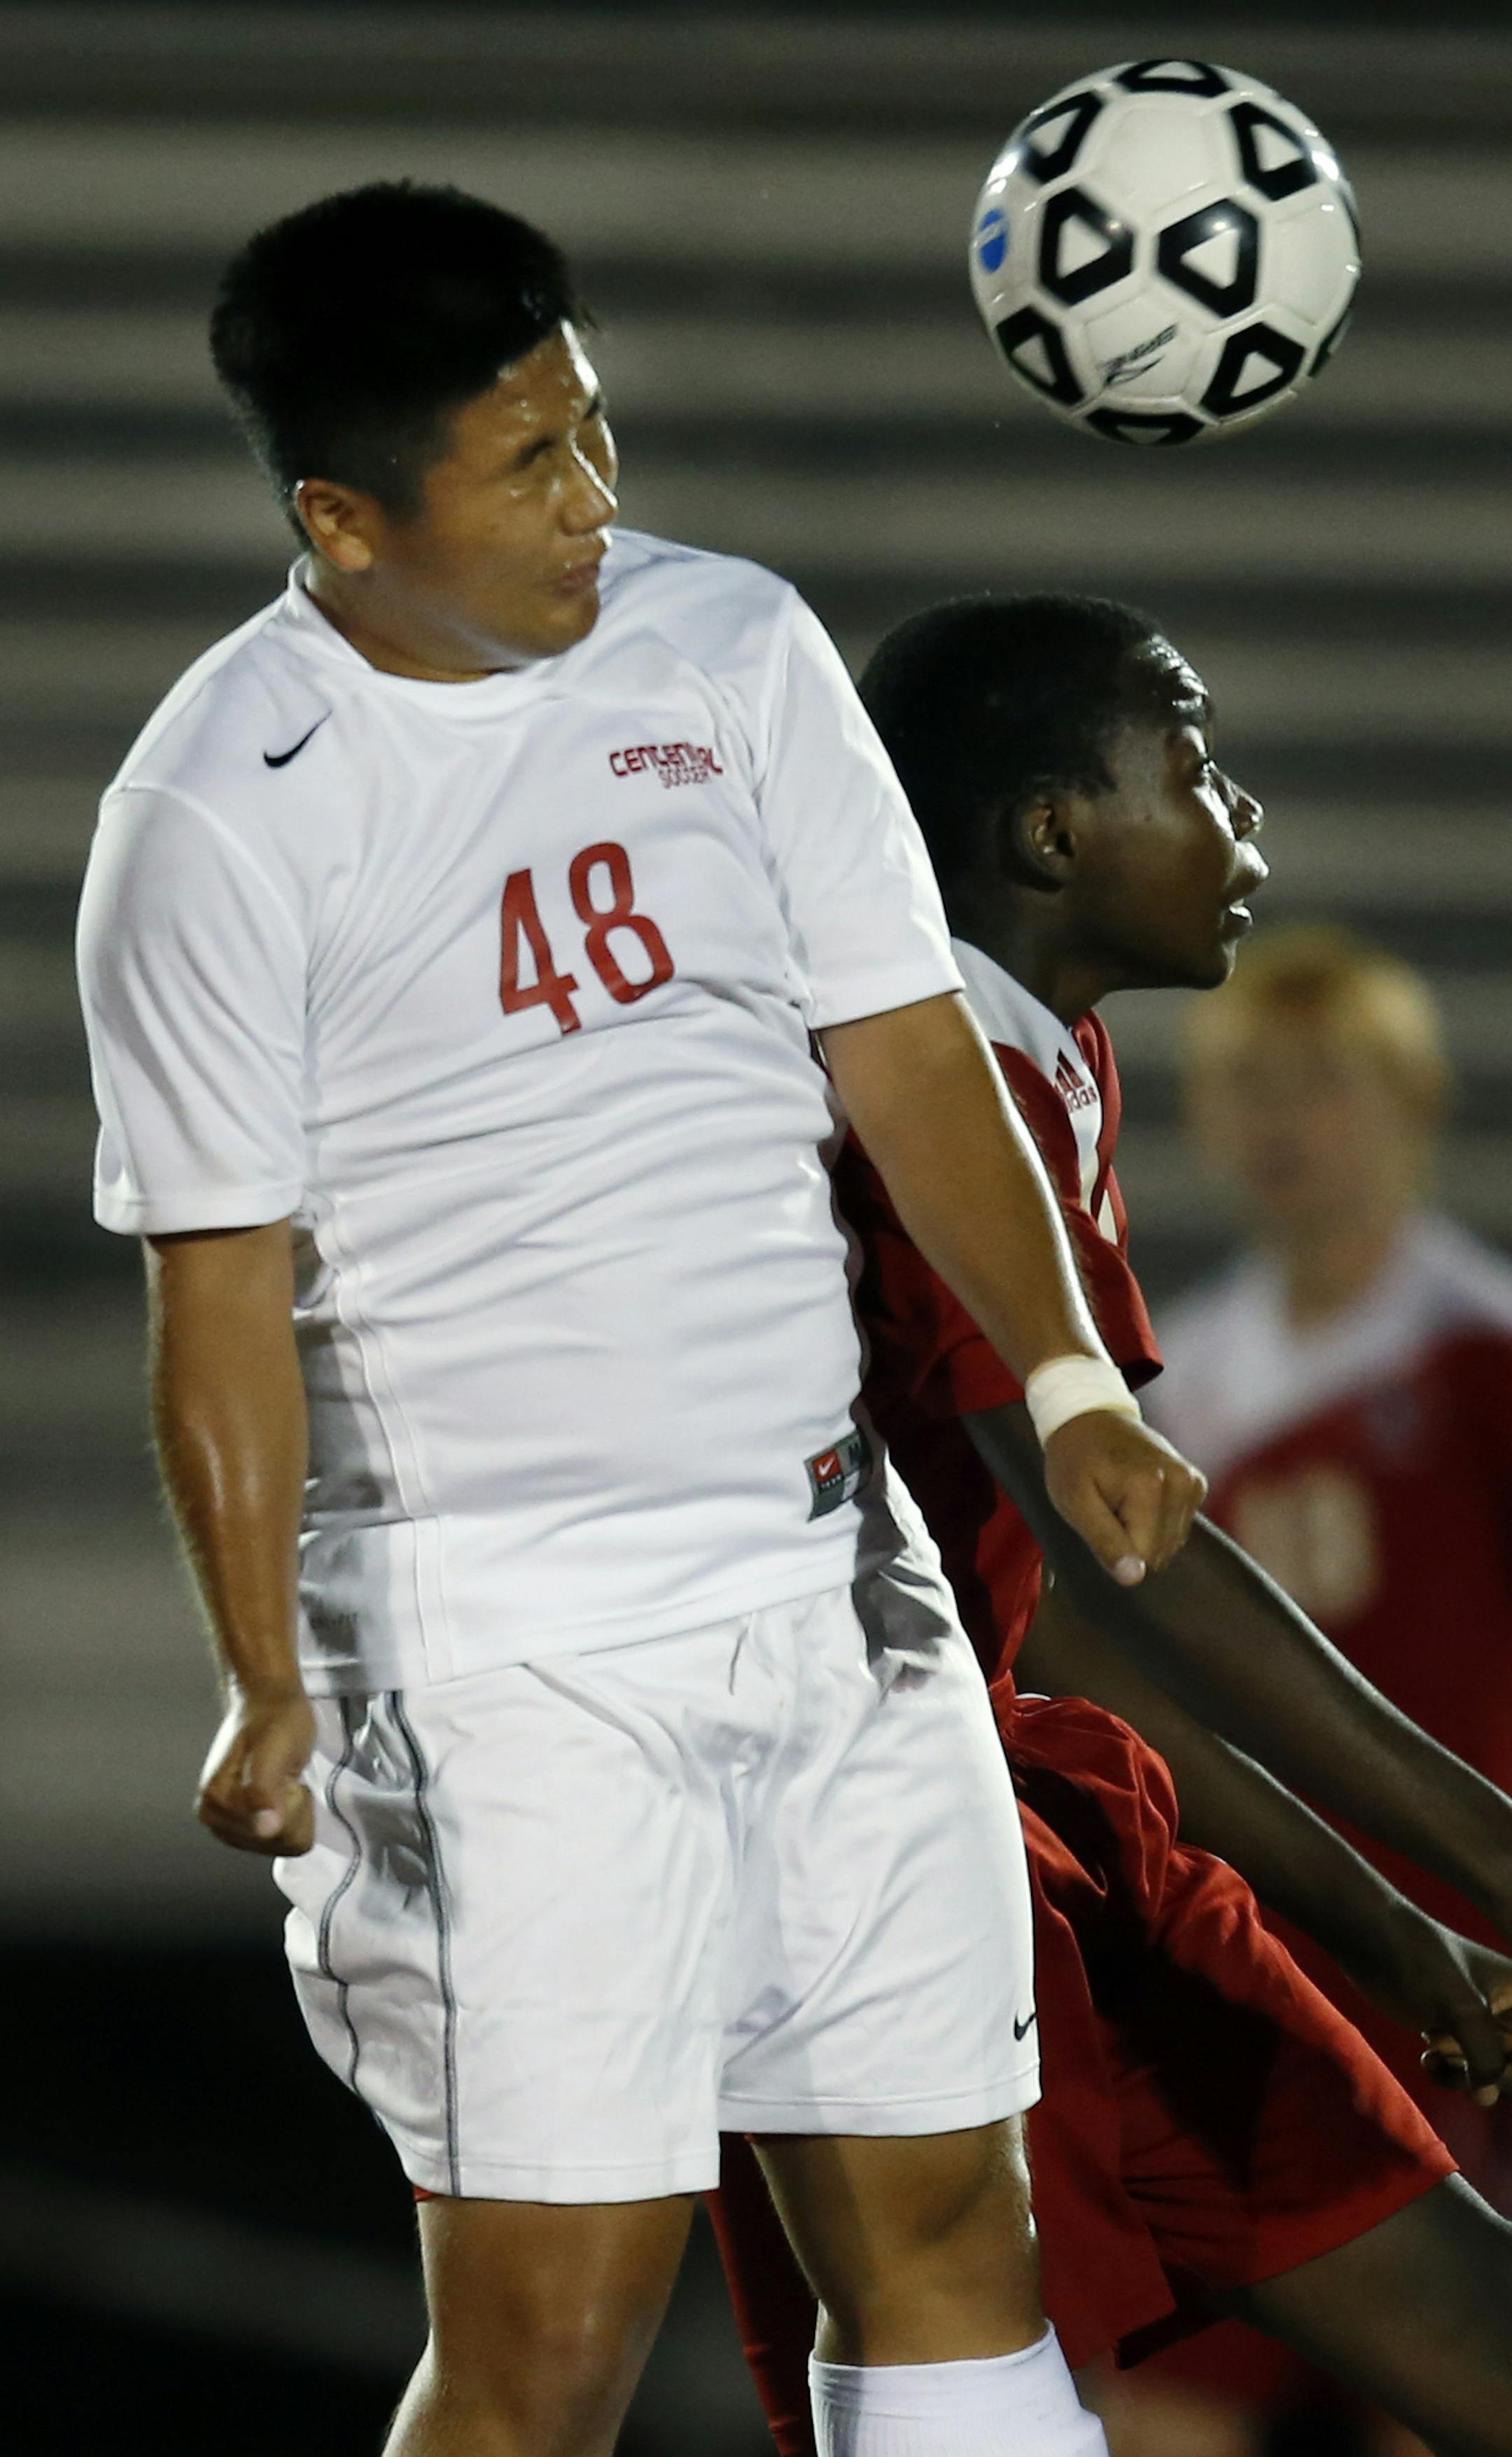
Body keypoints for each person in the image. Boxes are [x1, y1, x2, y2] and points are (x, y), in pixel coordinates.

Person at [74, 188, 1208, 2457]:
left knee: (950, 2247)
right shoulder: (217, 817)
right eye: (529, 465)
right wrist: (262, 1676)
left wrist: (1069, 1372)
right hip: (512, 1660)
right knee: (552, 2342)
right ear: (343, 515)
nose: (597, 501)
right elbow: (218, 1294)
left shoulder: (734, 648)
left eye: (594, 432)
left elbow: (902, 1051)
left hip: (827, 1593)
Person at [706, 594, 1512, 2457]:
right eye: (1197, 764)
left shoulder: (1046, 1066)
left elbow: (1036, 1619)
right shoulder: (923, 1086)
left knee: (1452, 2299)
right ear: (1054, 833)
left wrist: (1387, 1921)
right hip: (859, 1838)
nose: (1244, 819)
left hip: (1032, 1789)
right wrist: (1480, 1846)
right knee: (982, 2399)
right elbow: (1105, 1552)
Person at [1123, 929, 1512, 2453]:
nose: (1286, 1124)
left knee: (1436, 2386)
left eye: (1323, 1085)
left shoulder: (1477, 1356)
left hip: (1456, 1971)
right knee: (1172, 2394)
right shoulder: (1174, 1392)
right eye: (1249, 1089)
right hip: (1263, 1956)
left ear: (1412, 1104)